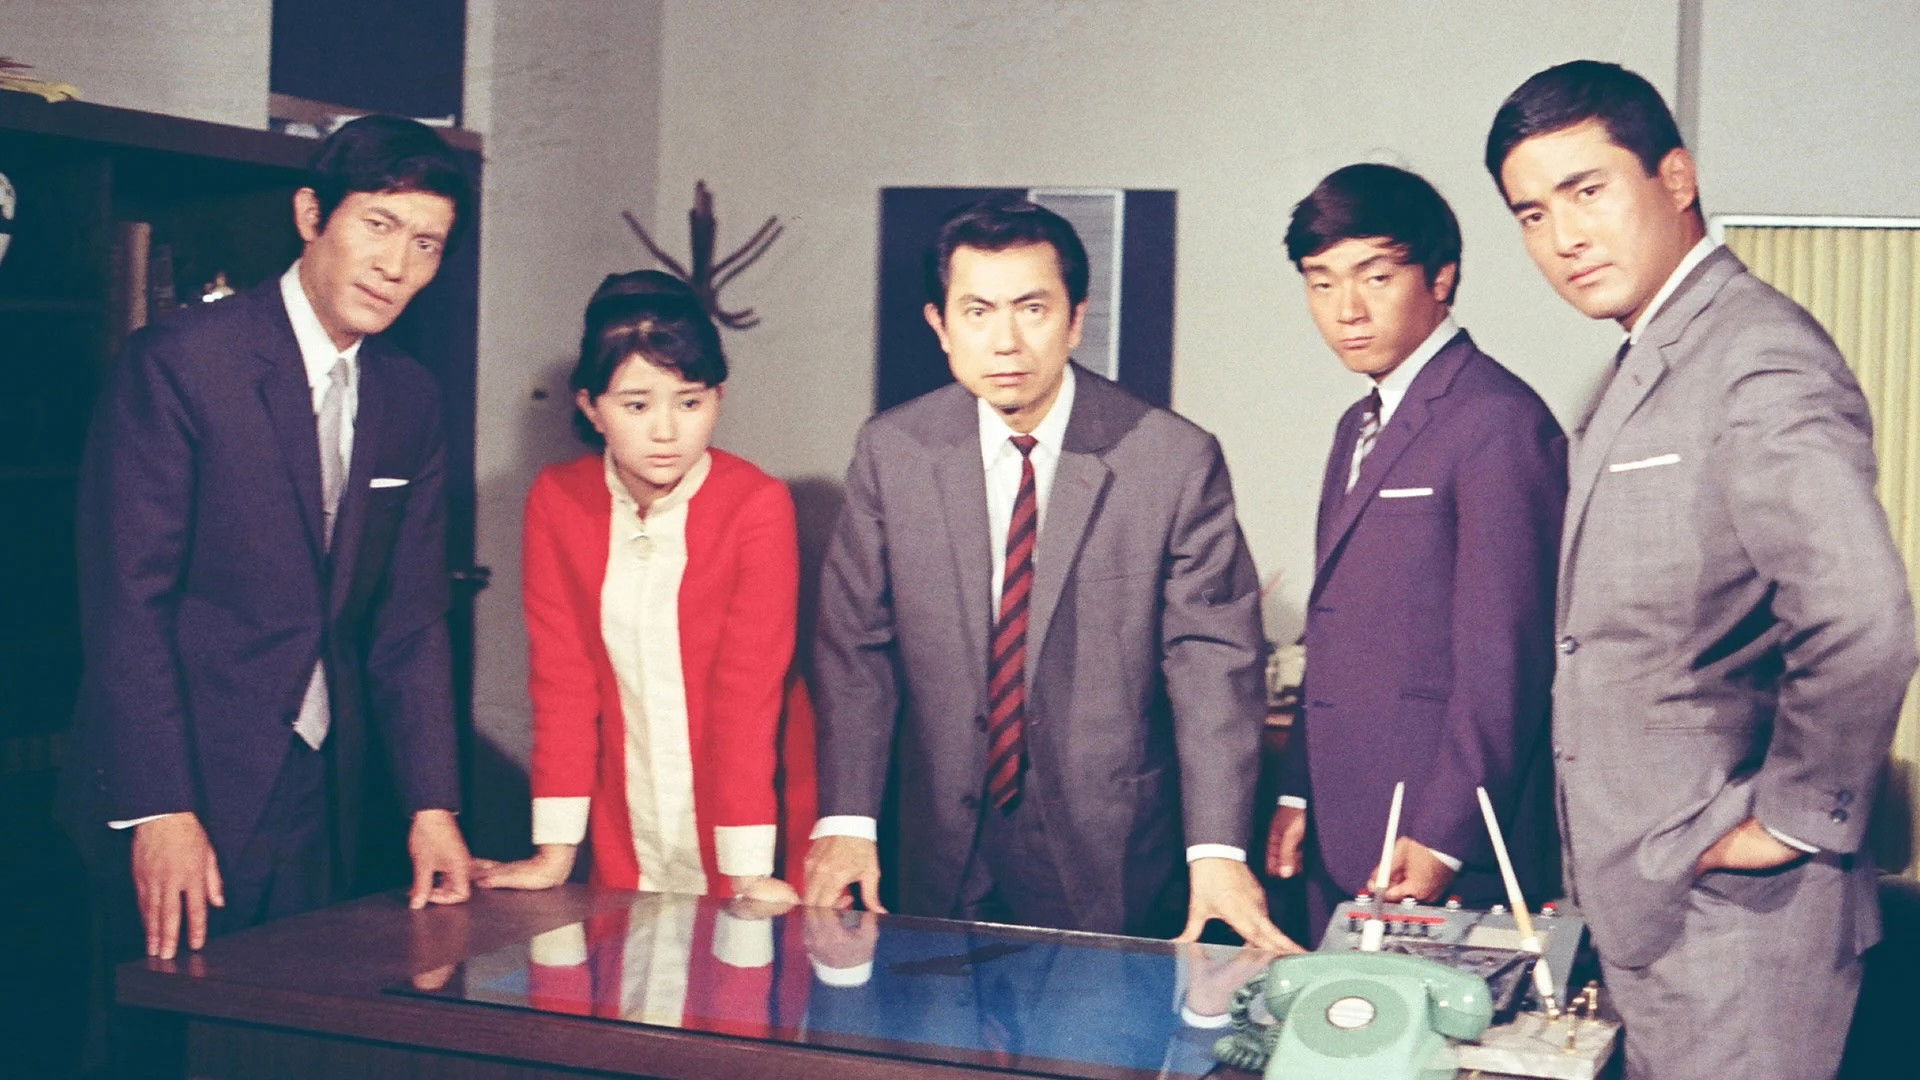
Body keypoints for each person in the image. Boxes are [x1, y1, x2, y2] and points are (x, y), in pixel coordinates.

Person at [1486, 60, 1917, 1080]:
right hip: (1654, 910)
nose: (1564, 237)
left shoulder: (1756, 353)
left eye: (1587, 191)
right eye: (1533, 214)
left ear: (1675, 178)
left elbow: (1862, 614)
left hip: (1740, 923)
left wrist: (1792, 820)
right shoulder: (1640, 360)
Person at [804, 196, 1292, 950]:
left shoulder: (1171, 459)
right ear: (940, 326)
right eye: (977, 312)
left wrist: (1218, 851)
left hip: (1111, 851)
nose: (1006, 341)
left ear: (1075, 319)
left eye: (1032, 309)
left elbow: (1214, 665)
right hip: (933, 843)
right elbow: (854, 650)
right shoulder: (892, 450)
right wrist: (847, 820)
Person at [63, 115, 476, 972]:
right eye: (379, 224)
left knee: (296, 1024)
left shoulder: (411, 399)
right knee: (167, 1030)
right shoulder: (179, 362)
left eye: (427, 245)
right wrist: (159, 807)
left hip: (330, 794)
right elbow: (127, 604)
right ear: (310, 214)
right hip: (184, 786)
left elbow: (410, 620)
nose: (397, 266)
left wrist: (432, 803)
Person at [1264, 163, 1564, 942]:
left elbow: (1508, 661)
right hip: (1343, 826)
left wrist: (1445, 835)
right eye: (1321, 282)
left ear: (1441, 276)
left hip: (1438, 842)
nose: (1346, 310)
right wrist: (1299, 791)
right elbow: (1334, 627)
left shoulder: (1499, 421)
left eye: (1376, 277)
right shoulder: (1356, 424)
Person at [474, 271, 815, 902]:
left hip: (755, 811)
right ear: (590, 407)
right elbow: (563, 680)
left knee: (744, 957)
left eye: (689, 403)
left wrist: (746, 869)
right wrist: (554, 854)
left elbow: (748, 695)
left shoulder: (757, 504)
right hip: (626, 812)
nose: (666, 431)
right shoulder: (557, 500)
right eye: (636, 405)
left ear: (718, 397)